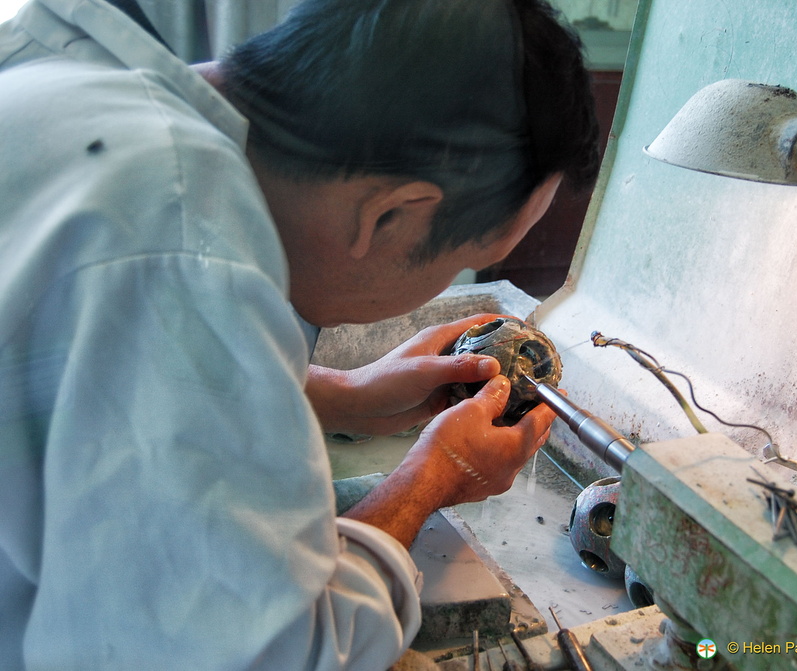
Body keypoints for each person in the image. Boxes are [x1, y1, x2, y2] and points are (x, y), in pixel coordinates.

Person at [0, 0, 600, 669]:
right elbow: (252, 655)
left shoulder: (68, 69)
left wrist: (342, 393)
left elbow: (85, 378)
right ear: (392, 213)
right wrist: (431, 478)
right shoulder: (189, 257)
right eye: (459, 259)